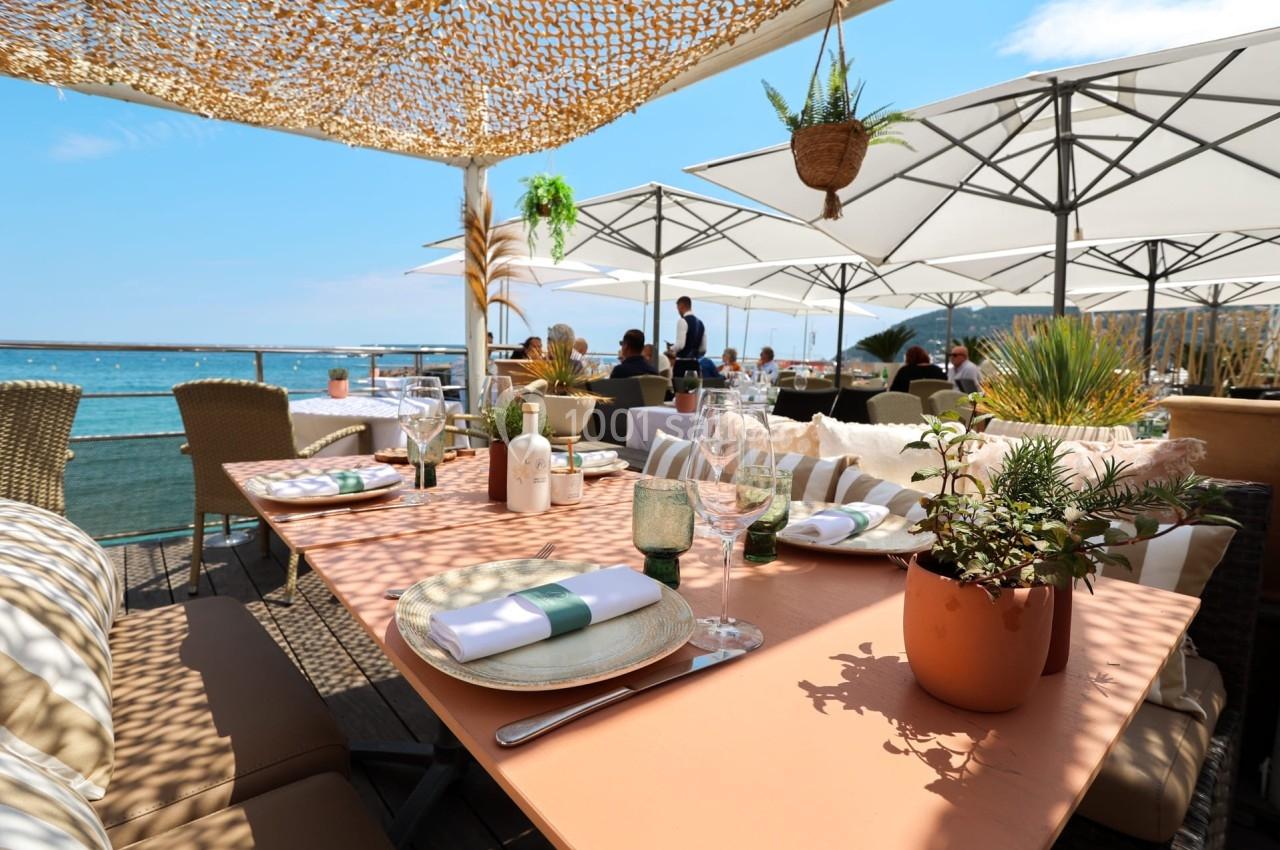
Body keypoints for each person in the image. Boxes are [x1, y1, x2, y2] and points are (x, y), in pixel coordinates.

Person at [671, 295, 707, 378]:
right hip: (695, 364)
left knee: (680, 390)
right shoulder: (701, 323)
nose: (678, 311)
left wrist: (671, 348)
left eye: (678, 309)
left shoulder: (683, 321)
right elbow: (703, 349)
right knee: (694, 390)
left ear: (681, 306)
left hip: (682, 365)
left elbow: (680, 345)